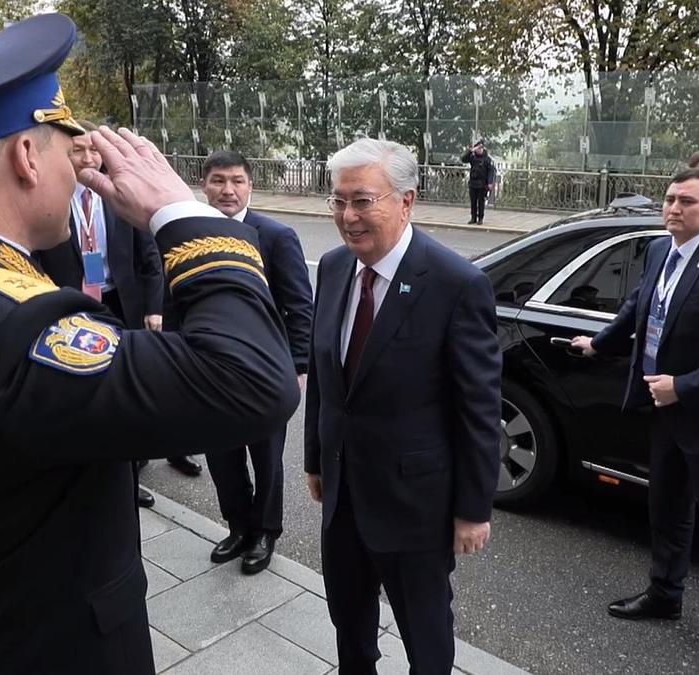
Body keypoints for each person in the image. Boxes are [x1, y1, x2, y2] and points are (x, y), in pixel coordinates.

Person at [0, 14, 299, 674]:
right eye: (61, 147)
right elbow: (251, 382)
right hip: (51, 643)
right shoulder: (19, 324)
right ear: (24, 157)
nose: (76, 170)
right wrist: (183, 216)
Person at [571, 169, 699, 675]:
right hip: (664, 416)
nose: (673, 209)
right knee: (666, 509)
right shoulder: (661, 251)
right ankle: (665, 594)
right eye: (669, 199)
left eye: (687, 201)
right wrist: (600, 343)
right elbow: (639, 307)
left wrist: (683, 386)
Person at [304, 138, 501, 674]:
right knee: (349, 617)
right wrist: (316, 460)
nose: (348, 216)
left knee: (426, 631)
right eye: (338, 200)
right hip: (343, 495)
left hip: (415, 504)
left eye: (363, 200)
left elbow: (479, 409)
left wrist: (473, 509)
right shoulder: (334, 268)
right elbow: (325, 375)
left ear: (406, 201)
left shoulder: (457, 284)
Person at [189, 150, 313, 574]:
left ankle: (265, 533)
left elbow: (300, 306)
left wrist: (298, 365)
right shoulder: (189, 234)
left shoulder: (276, 237)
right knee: (222, 455)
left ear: (250, 186)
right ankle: (238, 526)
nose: (228, 189)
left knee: (267, 457)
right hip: (209, 370)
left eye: (237, 181)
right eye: (219, 180)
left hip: (265, 371)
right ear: (203, 184)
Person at [35, 118, 169, 507]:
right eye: (79, 151)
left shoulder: (119, 195)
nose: (89, 157)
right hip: (71, 306)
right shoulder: (52, 198)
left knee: (126, 389)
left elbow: (149, 256)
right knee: (83, 388)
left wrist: (153, 307)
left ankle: (130, 472)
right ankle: (94, 467)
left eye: (95, 150)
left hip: (120, 302)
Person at [460, 139, 496, 224]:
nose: (479, 150)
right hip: (473, 183)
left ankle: (480, 218)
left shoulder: (487, 159)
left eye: (481, 148)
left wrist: (490, 182)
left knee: (481, 202)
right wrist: (471, 150)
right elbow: (463, 159)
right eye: (478, 148)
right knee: (473, 202)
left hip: (482, 184)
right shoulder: (473, 157)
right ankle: (473, 218)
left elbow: (491, 171)